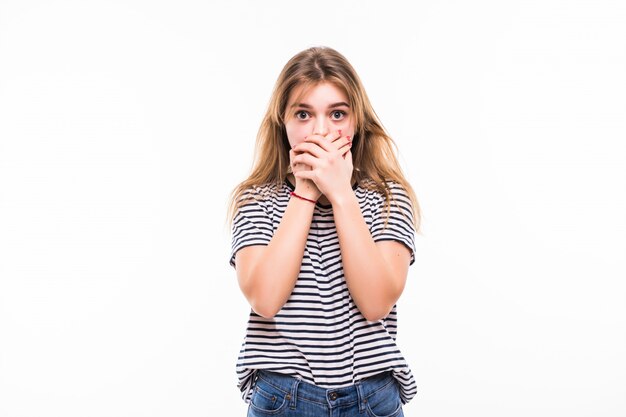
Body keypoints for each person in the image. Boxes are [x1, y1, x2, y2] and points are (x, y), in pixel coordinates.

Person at [227, 46, 422, 417]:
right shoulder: (256, 201)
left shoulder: (387, 198)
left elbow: (376, 302)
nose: (320, 130)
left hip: (371, 398)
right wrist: (305, 191)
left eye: (337, 114)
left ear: (355, 122)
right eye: (303, 114)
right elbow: (265, 300)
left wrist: (341, 193)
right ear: (282, 123)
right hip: (282, 399)